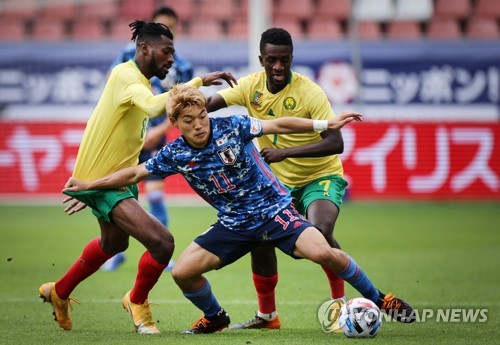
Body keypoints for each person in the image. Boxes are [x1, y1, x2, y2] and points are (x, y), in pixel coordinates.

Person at [63, 84, 416, 334]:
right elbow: (136, 171)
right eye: (189, 120)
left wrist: (325, 125)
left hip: (275, 212)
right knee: (182, 272)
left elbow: (278, 124)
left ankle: (379, 298)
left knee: (324, 251)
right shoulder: (175, 154)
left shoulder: (232, 126)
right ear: (177, 124)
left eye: (201, 115)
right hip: (232, 225)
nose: (199, 123)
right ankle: (215, 317)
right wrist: (88, 185)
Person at [38, 20, 236, 334]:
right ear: (144, 48)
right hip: (104, 181)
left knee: (113, 243)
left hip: (119, 179)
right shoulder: (125, 75)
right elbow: (155, 107)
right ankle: (137, 301)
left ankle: (59, 292)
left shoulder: (139, 81)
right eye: (166, 51)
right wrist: (197, 82)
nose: (171, 58)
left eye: (173, 51)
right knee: (162, 243)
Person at [206, 27, 350, 331]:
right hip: (277, 186)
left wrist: (287, 153)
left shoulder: (310, 92)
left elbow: (336, 142)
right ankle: (267, 317)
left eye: (285, 60)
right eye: (272, 60)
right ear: (261, 59)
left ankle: (340, 308)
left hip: (319, 176)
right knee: (260, 238)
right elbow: (207, 106)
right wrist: (185, 102)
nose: (279, 67)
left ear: (292, 58)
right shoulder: (249, 87)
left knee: (320, 232)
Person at [101, 6, 194, 272]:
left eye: (172, 28)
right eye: (162, 26)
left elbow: (181, 106)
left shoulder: (182, 66)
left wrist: (160, 131)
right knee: (119, 196)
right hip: (127, 137)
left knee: (154, 194)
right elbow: (111, 85)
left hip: (154, 138)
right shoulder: (128, 56)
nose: (168, 31)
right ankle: (115, 253)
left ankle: (159, 253)